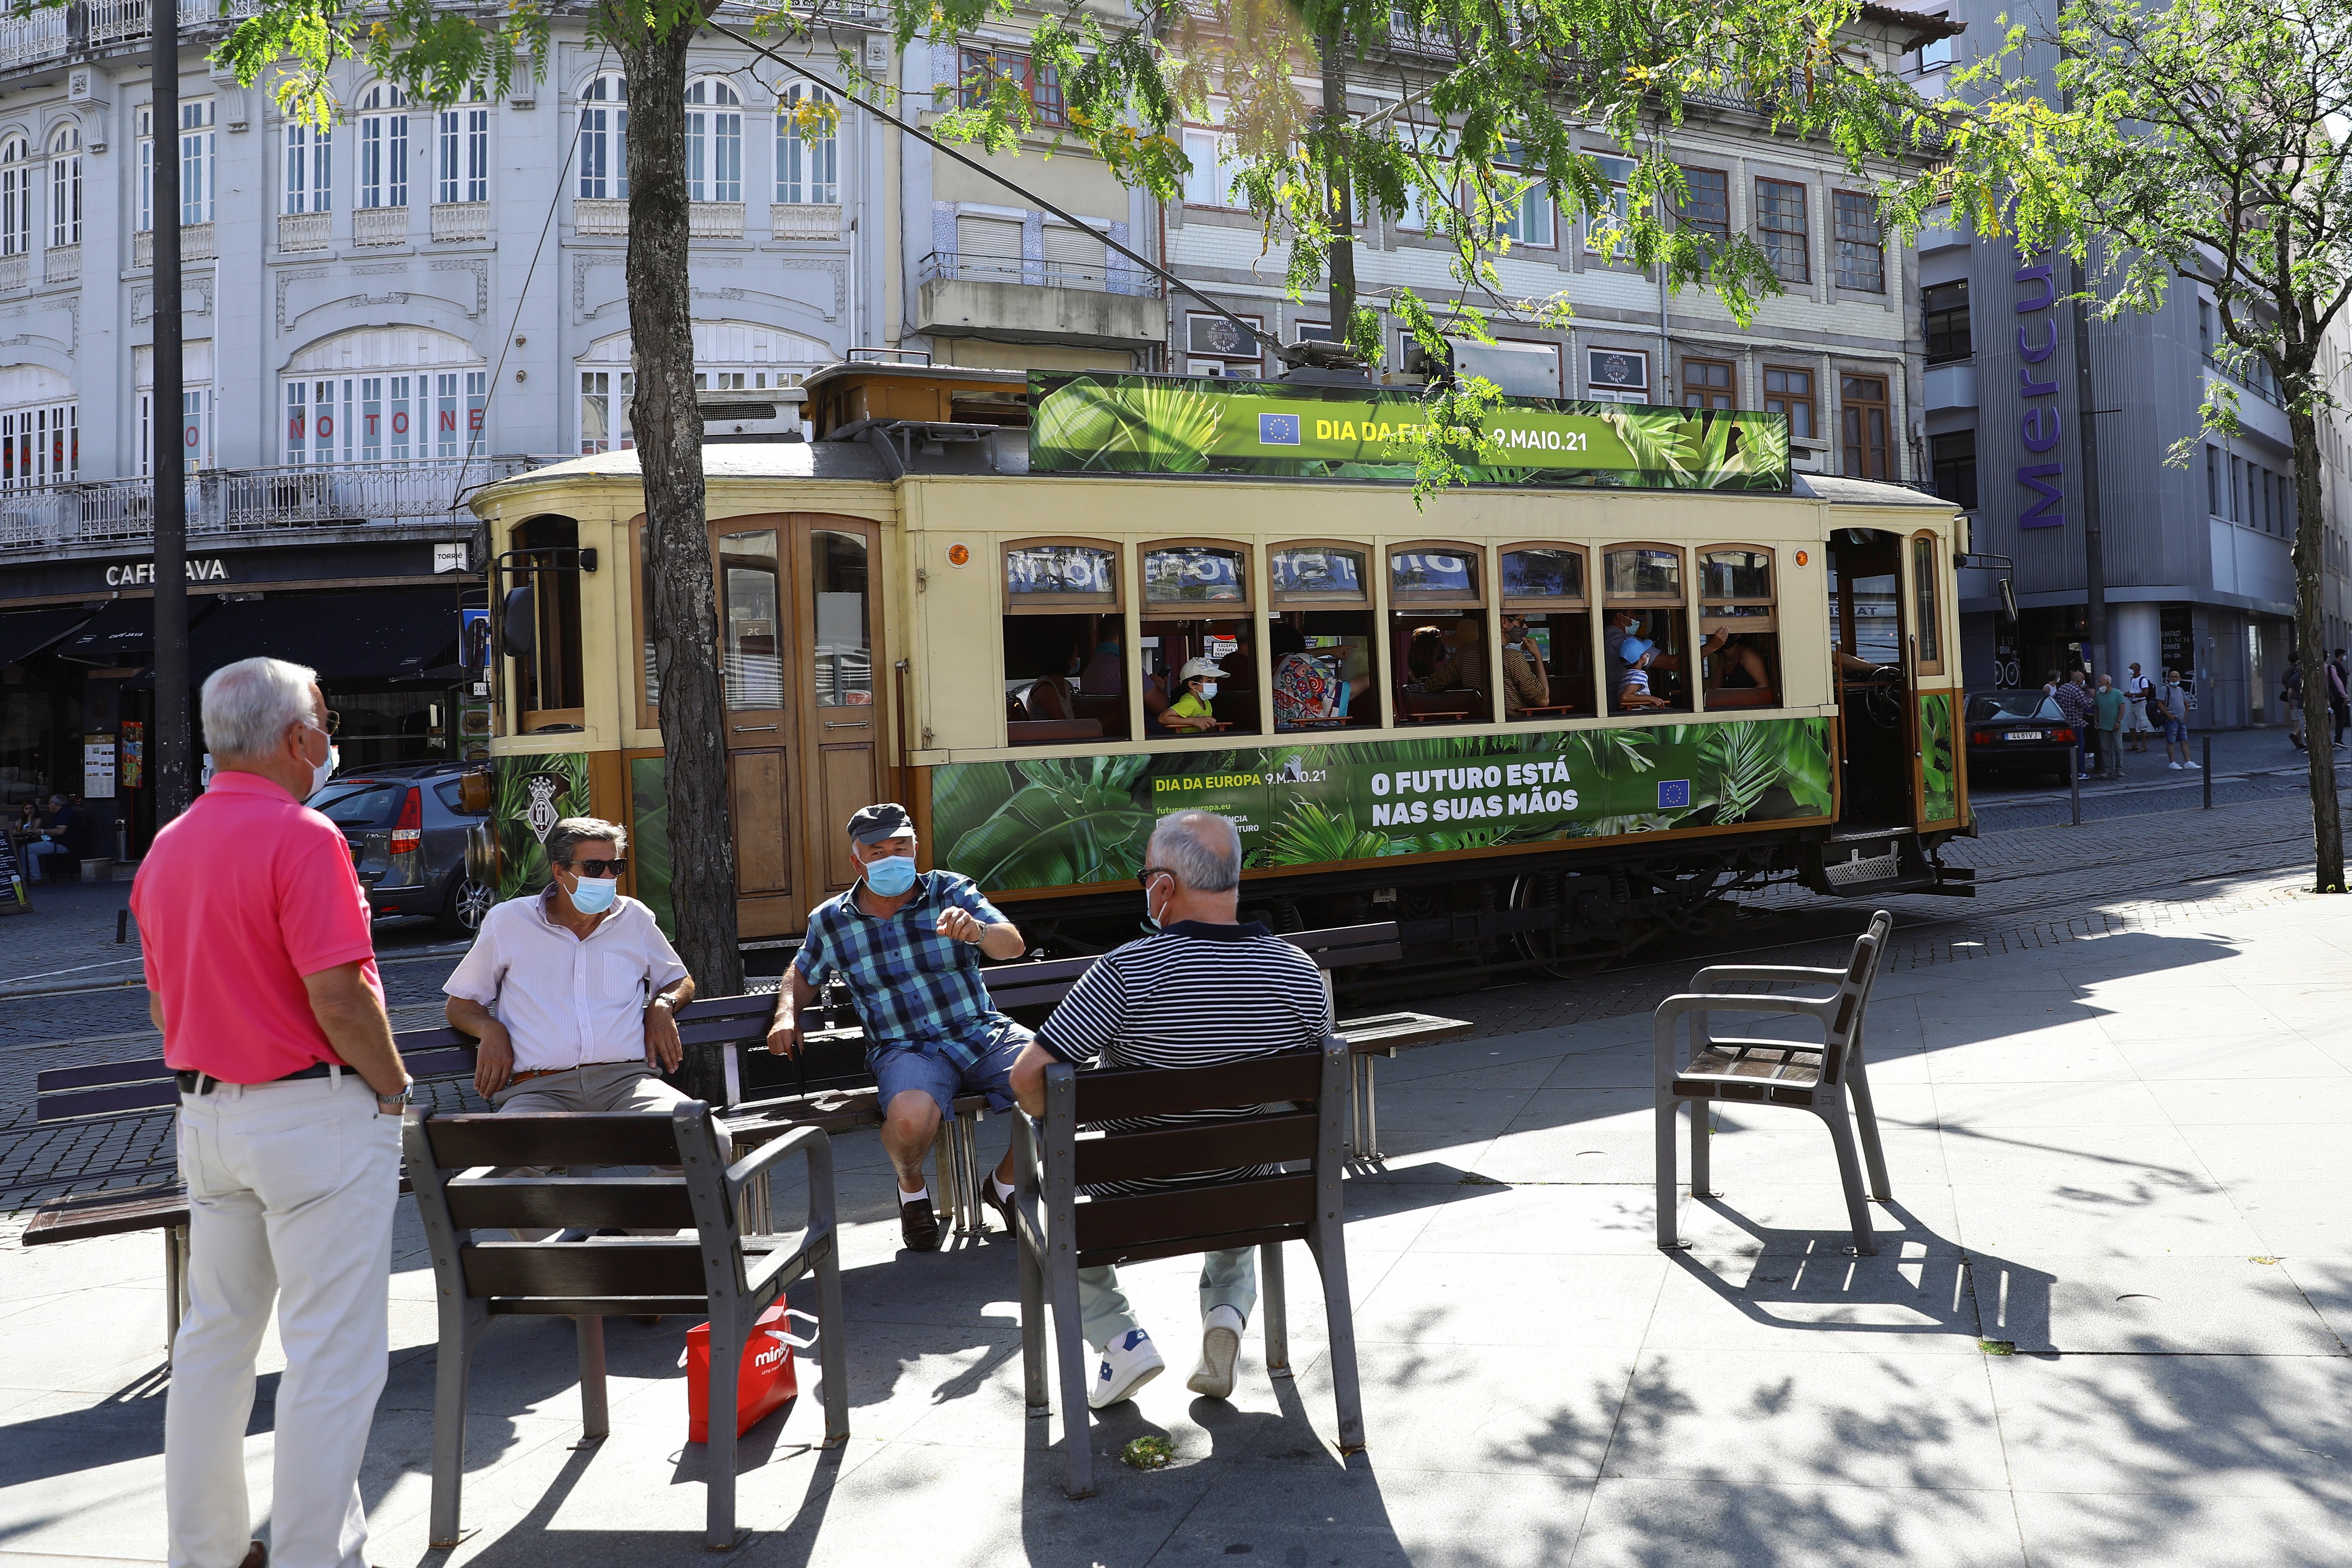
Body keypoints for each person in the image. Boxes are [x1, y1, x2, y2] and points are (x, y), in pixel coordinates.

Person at [132, 656, 410, 1568]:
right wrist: (394, 1085)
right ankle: (310, 1555)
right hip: (316, 1117)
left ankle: (205, 1554)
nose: (329, 736)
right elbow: (338, 997)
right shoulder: (305, 838)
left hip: (209, 1120)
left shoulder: (168, 845)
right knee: (331, 1356)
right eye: (324, 719)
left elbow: (164, 1011)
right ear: (298, 738)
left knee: (213, 1343)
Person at [1006, 810, 1330, 1408]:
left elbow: (1028, 1077)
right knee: (1244, 1155)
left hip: (1131, 1198)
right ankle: (1227, 1314)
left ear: (1163, 886)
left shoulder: (1125, 972)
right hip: (1247, 1194)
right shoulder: (1299, 972)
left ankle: (1120, 1340)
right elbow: (1310, 1094)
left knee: (1046, 1192)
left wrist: (1049, 1126)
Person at [764, 803, 1030, 1252]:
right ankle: (912, 1189)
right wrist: (785, 1014)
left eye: (900, 847)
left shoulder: (951, 890)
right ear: (857, 860)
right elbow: (803, 971)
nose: (892, 857)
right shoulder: (831, 918)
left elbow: (1013, 945)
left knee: (1060, 1079)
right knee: (909, 1119)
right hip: (904, 1048)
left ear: (915, 848)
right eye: (878, 850)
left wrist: (979, 932)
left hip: (979, 1032)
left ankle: (1005, 1183)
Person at [443, 816, 694, 1116]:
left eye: (615, 867)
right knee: (506, 1160)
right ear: (559, 871)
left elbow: (679, 979)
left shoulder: (634, 917)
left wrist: (663, 1005)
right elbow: (460, 1004)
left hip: (627, 1083)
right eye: (592, 867)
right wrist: (490, 1029)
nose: (606, 876)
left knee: (704, 1138)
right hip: (539, 1090)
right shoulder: (508, 921)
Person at [1496, 613, 1554, 716]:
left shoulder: (1462, 653)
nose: (1526, 627)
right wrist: (1538, 655)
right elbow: (1544, 701)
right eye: (1521, 622)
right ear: (1504, 622)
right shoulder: (1514, 659)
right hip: (1514, 721)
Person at [1160, 657, 1226, 732]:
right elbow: (1163, 718)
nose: (1214, 684)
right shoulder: (1189, 702)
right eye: (1209, 681)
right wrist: (1194, 721)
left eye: (1215, 680)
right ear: (1192, 685)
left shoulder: (1206, 702)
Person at [21, 792, 76, 883]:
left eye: (50, 803)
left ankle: (36, 879)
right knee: (23, 849)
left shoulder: (65, 813)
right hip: (61, 842)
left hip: (63, 844)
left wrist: (43, 831)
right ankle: (25, 876)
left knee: (27, 849)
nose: (49, 805)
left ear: (55, 804)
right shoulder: (64, 813)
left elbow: (61, 831)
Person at [2053, 671, 2095, 779]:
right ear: (2079, 682)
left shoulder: (2062, 687)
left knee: (2068, 748)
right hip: (2076, 723)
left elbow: (2054, 699)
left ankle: (2068, 769)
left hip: (2064, 723)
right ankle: (2080, 771)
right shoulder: (2077, 690)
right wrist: (2092, 696)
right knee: (2079, 747)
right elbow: (2086, 704)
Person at [2153, 668, 2196, 769]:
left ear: (2180, 678)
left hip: (2181, 720)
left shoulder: (2180, 690)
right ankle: (2172, 762)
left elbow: (2186, 703)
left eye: (2176, 677)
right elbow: (2160, 704)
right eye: (2172, 677)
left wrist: (2185, 717)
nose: (2174, 679)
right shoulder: (2165, 689)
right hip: (2171, 720)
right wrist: (2169, 715)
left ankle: (2188, 762)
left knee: (2184, 741)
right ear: (2169, 678)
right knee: (2171, 741)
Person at [2093, 673, 2126, 780]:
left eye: (2101, 682)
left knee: (2118, 748)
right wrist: (2096, 720)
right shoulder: (2098, 695)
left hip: (2115, 725)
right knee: (2105, 749)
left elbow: (2122, 708)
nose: (2099, 684)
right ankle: (2107, 769)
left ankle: (2120, 769)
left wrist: (2118, 722)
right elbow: (2096, 708)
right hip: (2103, 726)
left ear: (2108, 683)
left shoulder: (2117, 694)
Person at [2124, 663, 2155, 752]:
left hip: (2140, 703)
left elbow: (2146, 693)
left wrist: (2133, 695)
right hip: (2133, 703)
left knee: (2143, 725)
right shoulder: (2133, 679)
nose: (2130, 670)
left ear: (2137, 669)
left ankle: (2144, 745)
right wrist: (2130, 694)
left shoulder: (2143, 679)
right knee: (2131, 724)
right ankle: (2134, 744)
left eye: (2131, 668)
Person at [2283, 652, 2306, 752]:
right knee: (2302, 720)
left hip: (2291, 696)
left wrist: (2289, 701)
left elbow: (2284, 683)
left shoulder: (2287, 670)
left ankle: (2299, 742)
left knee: (2296, 719)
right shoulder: (2298, 670)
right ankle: (2296, 735)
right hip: (2299, 697)